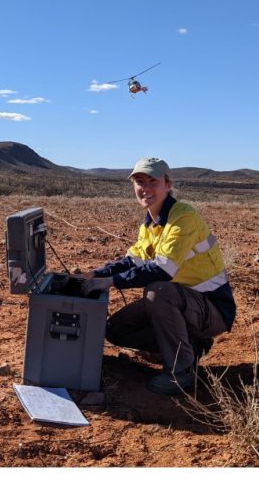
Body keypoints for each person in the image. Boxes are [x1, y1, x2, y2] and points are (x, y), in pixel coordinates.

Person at [91, 157, 237, 395]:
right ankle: (190, 345)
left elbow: (162, 270)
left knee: (158, 291)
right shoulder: (150, 222)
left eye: (152, 181)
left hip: (212, 309)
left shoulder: (183, 216)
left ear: (168, 185)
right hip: (185, 303)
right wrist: (92, 274)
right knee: (117, 329)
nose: (145, 188)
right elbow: (132, 261)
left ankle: (181, 373)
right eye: (139, 181)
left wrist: (108, 282)